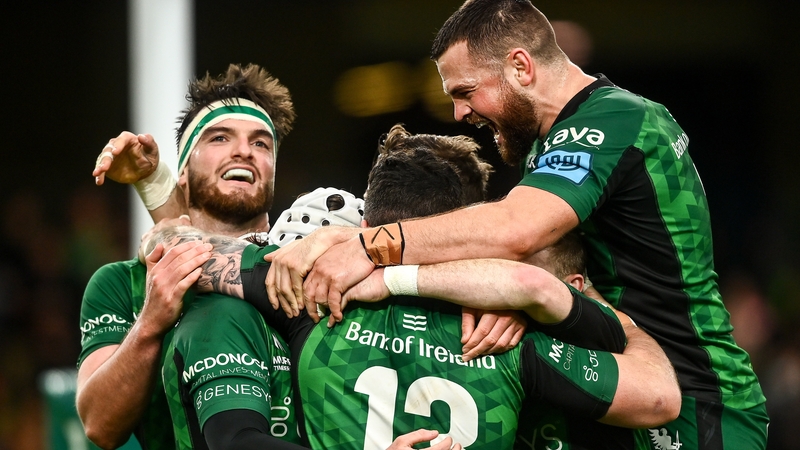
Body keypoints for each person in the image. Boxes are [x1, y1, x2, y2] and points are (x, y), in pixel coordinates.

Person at [264, 1, 768, 449]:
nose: (459, 113)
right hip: (616, 384)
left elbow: (515, 229)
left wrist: (370, 244)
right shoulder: (551, 147)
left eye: (465, 91)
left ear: (520, 67)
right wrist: (517, 299)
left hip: (697, 407)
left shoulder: (615, 121)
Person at [146, 127, 679, 449]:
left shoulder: (311, 294)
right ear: (460, 230)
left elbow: (177, 252)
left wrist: (340, 242)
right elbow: (659, 397)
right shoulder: (508, 336)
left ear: (368, 217)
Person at [77, 63, 298, 449]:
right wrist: (149, 323)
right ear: (182, 172)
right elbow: (99, 425)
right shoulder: (121, 283)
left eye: (261, 143)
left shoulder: (302, 260)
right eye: (219, 139)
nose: (244, 151)